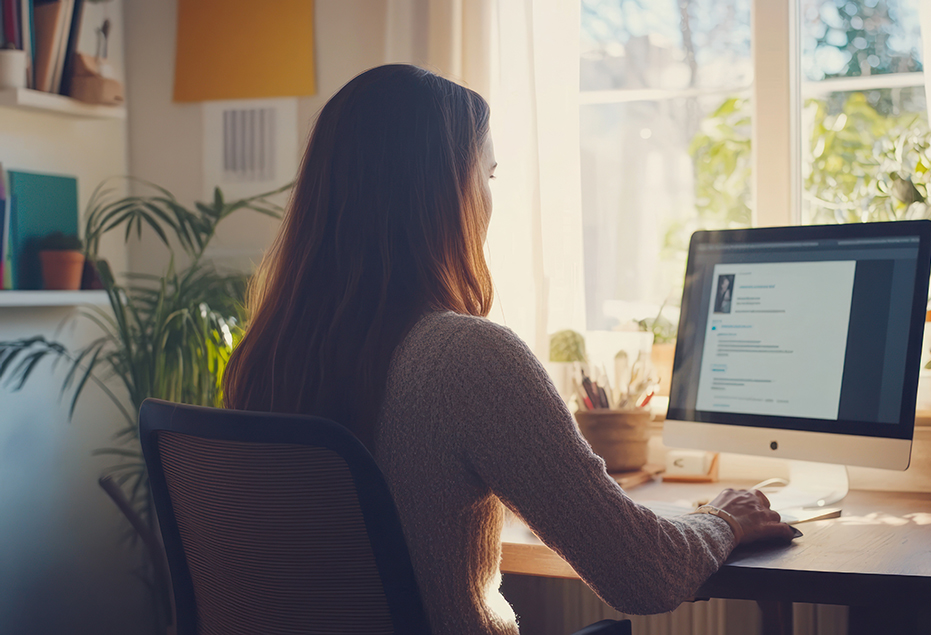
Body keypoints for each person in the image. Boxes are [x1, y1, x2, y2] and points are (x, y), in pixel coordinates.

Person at [223, 64, 794, 635]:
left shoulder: (264, 360)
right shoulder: (465, 359)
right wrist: (724, 520)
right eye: (487, 174)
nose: (490, 200)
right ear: (441, 192)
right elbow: (641, 574)